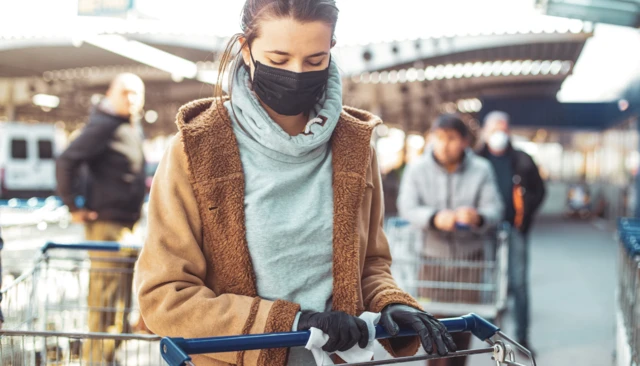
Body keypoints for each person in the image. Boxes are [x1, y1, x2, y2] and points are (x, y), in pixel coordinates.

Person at [134, 1, 456, 365]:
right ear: (246, 49)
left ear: (331, 49)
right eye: (279, 58)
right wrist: (292, 323)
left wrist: (390, 302)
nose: (297, 72)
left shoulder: (356, 146)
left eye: (314, 61)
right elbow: (165, 296)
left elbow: (370, 265)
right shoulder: (196, 149)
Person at [398, 114, 504, 366]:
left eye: (452, 138)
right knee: (432, 331)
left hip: (471, 263)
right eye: (439, 138)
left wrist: (478, 218)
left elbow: (496, 209)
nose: (444, 144)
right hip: (431, 262)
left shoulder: (481, 170)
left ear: (465, 141)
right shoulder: (417, 169)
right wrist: (434, 218)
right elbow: (407, 207)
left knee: (462, 331)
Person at [56, 73, 147, 364]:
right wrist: (74, 205)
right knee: (105, 300)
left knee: (120, 301)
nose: (130, 98)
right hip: (107, 227)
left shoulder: (127, 126)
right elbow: (67, 160)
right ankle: (97, 360)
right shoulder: (104, 125)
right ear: (110, 93)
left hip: (125, 225)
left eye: (136, 93)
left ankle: (110, 356)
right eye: (125, 92)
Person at [478, 111, 546, 351]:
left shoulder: (523, 159)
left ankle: (522, 338)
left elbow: (539, 191)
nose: (500, 133)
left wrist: (525, 213)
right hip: (484, 230)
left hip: (515, 229)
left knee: (518, 283)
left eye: (504, 128)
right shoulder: (476, 159)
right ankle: (488, 336)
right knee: (486, 282)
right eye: (495, 128)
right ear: (485, 131)